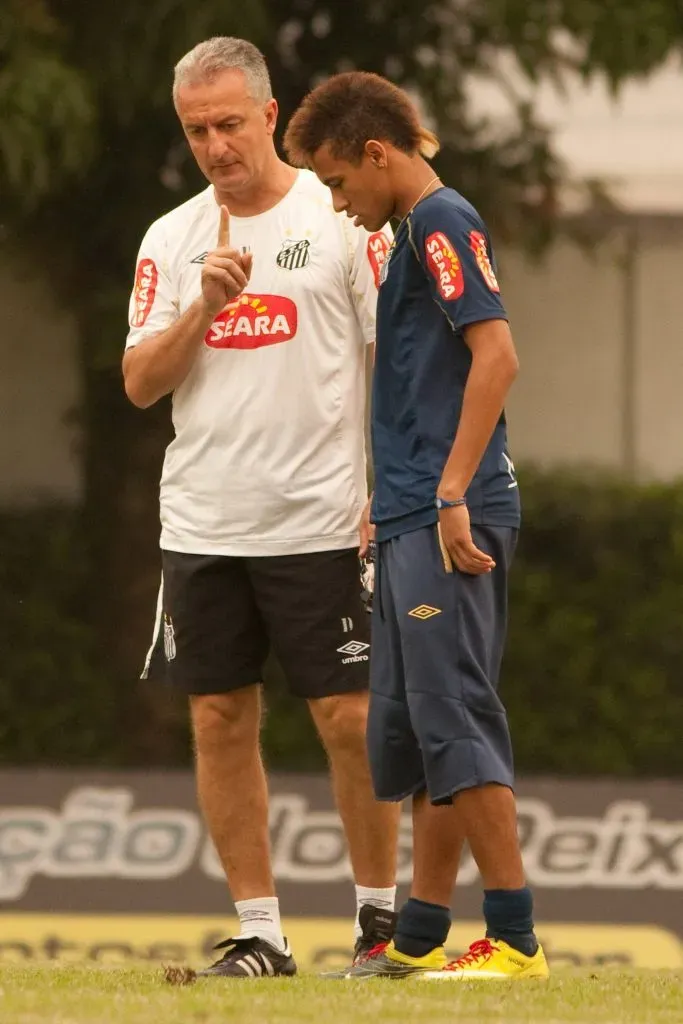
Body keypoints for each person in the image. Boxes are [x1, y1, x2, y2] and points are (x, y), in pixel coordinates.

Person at [122, 39, 401, 978]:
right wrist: (200, 309)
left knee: (350, 720)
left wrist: (389, 493)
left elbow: (391, 363)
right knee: (216, 717)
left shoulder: (340, 222)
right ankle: (260, 933)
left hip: (323, 521)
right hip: (203, 521)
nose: (214, 146)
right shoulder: (171, 237)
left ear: (270, 115)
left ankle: (377, 921)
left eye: (229, 124)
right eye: (196, 130)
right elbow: (136, 384)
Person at [283, 71, 549, 980]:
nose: (335, 200)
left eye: (334, 180)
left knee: (454, 714)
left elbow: (497, 354)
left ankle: (514, 941)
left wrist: (446, 494)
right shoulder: (405, 234)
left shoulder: (441, 221)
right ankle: (420, 936)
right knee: (413, 727)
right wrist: (392, 497)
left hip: (446, 516)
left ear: (374, 152)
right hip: (405, 514)